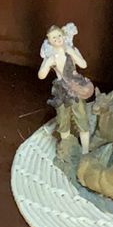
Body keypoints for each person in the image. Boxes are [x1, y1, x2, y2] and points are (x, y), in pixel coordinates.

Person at [38, 23, 95, 153]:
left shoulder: (71, 49)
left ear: (64, 36)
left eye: (59, 35)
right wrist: (47, 63)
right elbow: (41, 76)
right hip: (62, 91)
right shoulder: (51, 57)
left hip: (75, 88)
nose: (57, 39)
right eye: (53, 38)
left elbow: (83, 64)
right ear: (49, 41)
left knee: (81, 118)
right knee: (63, 121)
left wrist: (72, 53)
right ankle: (67, 149)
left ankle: (85, 150)